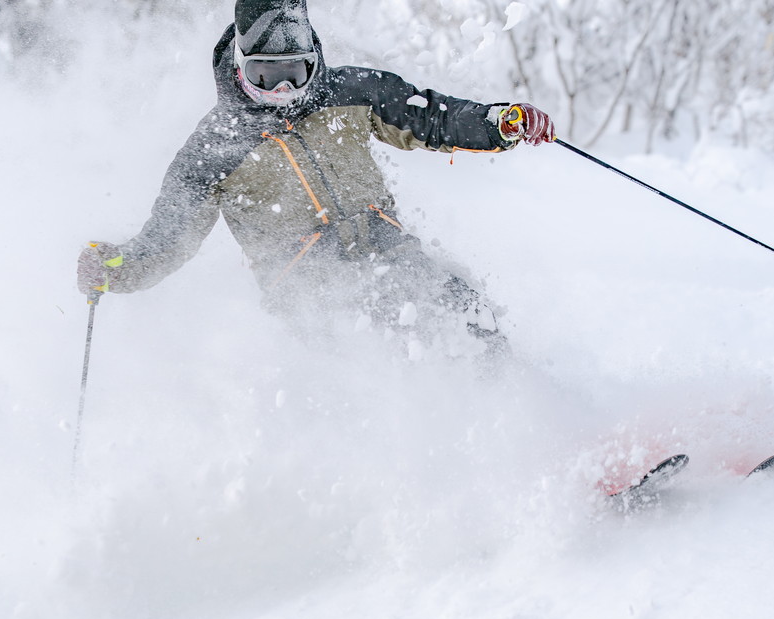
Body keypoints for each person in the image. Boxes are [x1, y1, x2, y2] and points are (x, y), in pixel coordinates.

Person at [77, 0, 555, 360]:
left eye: (295, 74)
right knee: (383, 363)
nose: (283, 91)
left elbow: (433, 118)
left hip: (388, 255)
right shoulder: (212, 150)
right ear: (239, 68)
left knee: (469, 316)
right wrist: (114, 267)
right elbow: (166, 241)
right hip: (311, 294)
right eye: (265, 77)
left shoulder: (348, 92)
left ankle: (533, 433)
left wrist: (498, 122)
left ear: (314, 61)